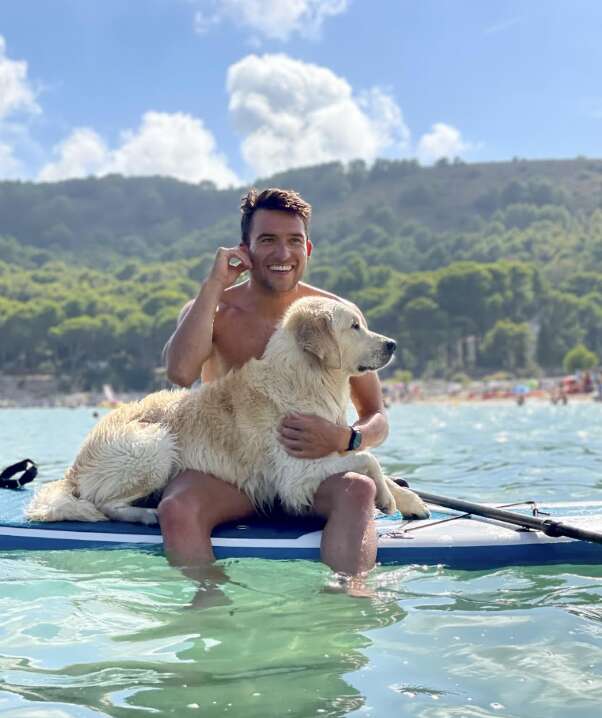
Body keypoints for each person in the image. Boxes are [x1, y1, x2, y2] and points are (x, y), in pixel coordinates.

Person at [160, 188, 390, 582]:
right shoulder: (214, 309)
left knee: (358, 490)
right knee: (177, 507)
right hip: (235, 472)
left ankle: (347, 604)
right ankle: (212, 607)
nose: (283, 254)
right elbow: (180, 374)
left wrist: (344, 438)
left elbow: (376, 417)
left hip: (308, 471)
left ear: (308, 248)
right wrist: (215, 284)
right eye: (267, 240)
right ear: (245, 249)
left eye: (293, 241)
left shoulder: (336, 316)